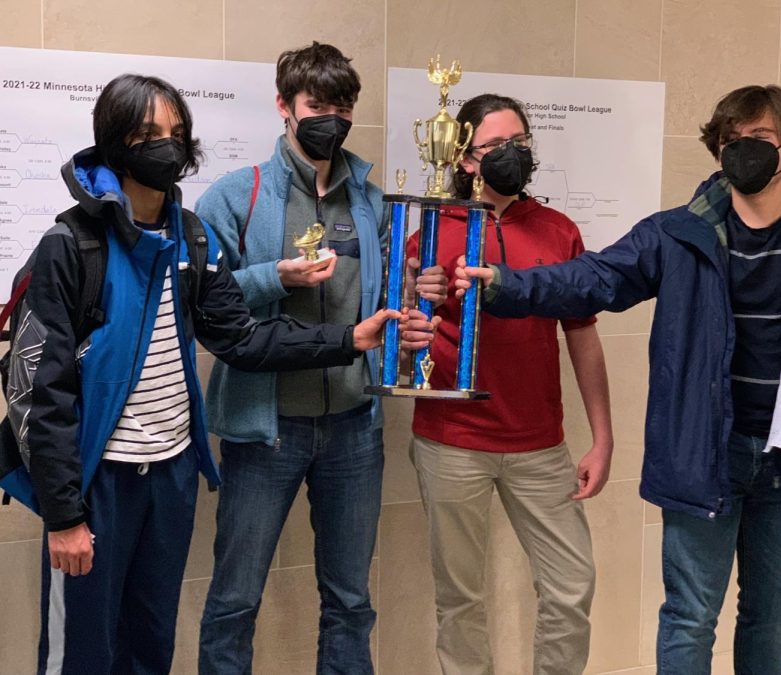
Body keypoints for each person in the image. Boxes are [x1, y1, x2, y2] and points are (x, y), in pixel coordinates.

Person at [456, 85, 781, 675]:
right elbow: (594, 279)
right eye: (731, 141)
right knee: (689, 616)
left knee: (771, 616)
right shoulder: (677, 234)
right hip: (702, 451)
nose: (743, 151)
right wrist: (505, 285)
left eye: (758, 139)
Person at [0, 73, 424, 675]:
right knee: (83, 656)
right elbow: (38, 392)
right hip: (98, 484)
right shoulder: (70, 245)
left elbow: (242, 338)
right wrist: (64, 514)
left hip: (171, 478)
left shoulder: (191, 237)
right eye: (147, 135)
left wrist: (345, 339)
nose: (165, 147)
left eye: (176, 134)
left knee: (150, 647)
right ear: (113, 142)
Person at [194, 42, 446, 675]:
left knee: (352, 603)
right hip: (265, 430)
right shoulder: (232, 196)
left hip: (354, 430)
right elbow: (206, 305)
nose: (330, 118)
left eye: (342, 106)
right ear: (284, 106)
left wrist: (412, 305)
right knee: (233, 602)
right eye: (316, 105)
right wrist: (274, 277)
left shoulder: (368, 200)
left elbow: (386, 302)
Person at [408, 93, 614, 675]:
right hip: (451, 441)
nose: (512, 154)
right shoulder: (431, 225)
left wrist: (602, 436)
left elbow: (583, 336)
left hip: (540, 445)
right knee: (461, 600)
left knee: (571, 587)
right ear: (466, 158)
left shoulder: (558, 230)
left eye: (520, 142)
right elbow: (403, 326)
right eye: (496, 146)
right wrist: (412, 323)